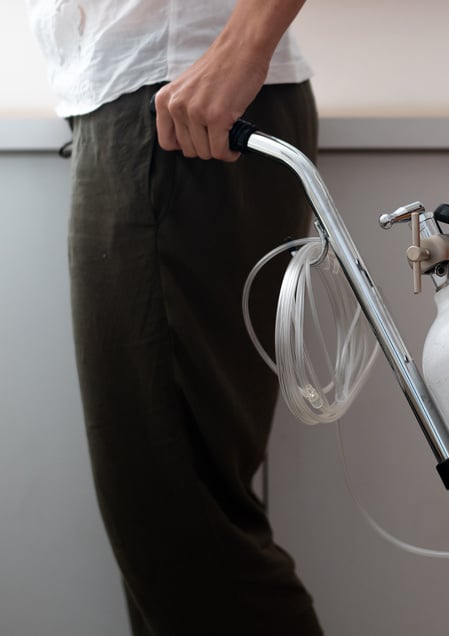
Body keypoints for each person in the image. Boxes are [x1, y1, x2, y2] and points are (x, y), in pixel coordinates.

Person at [26, 1, 323, 634]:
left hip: (180, 115)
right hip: (151, 106)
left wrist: (242, 45)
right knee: (168, 517)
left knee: (181, 523)